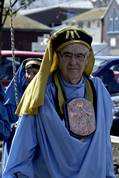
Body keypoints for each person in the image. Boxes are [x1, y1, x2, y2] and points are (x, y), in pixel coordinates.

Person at [3, 26, 115, 178]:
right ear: (57, 57)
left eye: (79, 56)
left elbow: (104, 143)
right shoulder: (41, 92)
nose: (73, 62)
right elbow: (22, 151)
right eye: (67, 55)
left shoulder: (99, 90)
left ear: (88, 58)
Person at [2, 58, 42, 172]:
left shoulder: (47, 96)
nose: (30, 76)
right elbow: (4, 126)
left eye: (35, 73)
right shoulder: (12, 99)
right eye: (28, 72)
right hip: (14, 148)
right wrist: (13, 126)